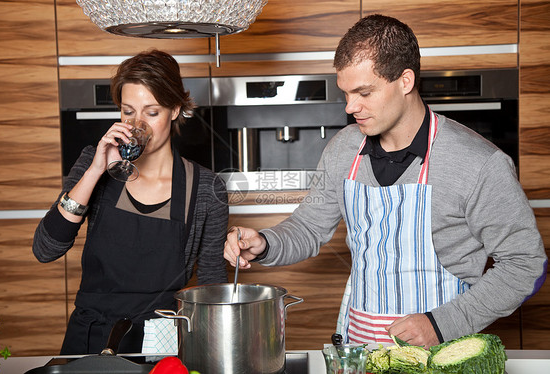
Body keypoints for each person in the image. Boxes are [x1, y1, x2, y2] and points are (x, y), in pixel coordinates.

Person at [224, 14, 547, 349]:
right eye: (346, 93)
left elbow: (525, 265)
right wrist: (264, 242)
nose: (351, 107)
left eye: (364, 92)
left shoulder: (479, 163)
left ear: (405, 81)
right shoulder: (343, 149)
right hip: (360, 348)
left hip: (441, 354)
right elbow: (307, 228)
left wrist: (440, 325)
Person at [33, 49, 229, 354]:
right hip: (91, 337)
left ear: (175, 110)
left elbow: (212, 285)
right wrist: (97, 169)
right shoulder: (93, 164)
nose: (138, 124)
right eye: (128, 112)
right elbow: (46, 249)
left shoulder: (205, 187)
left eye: (152, 112)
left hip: (161, 341)